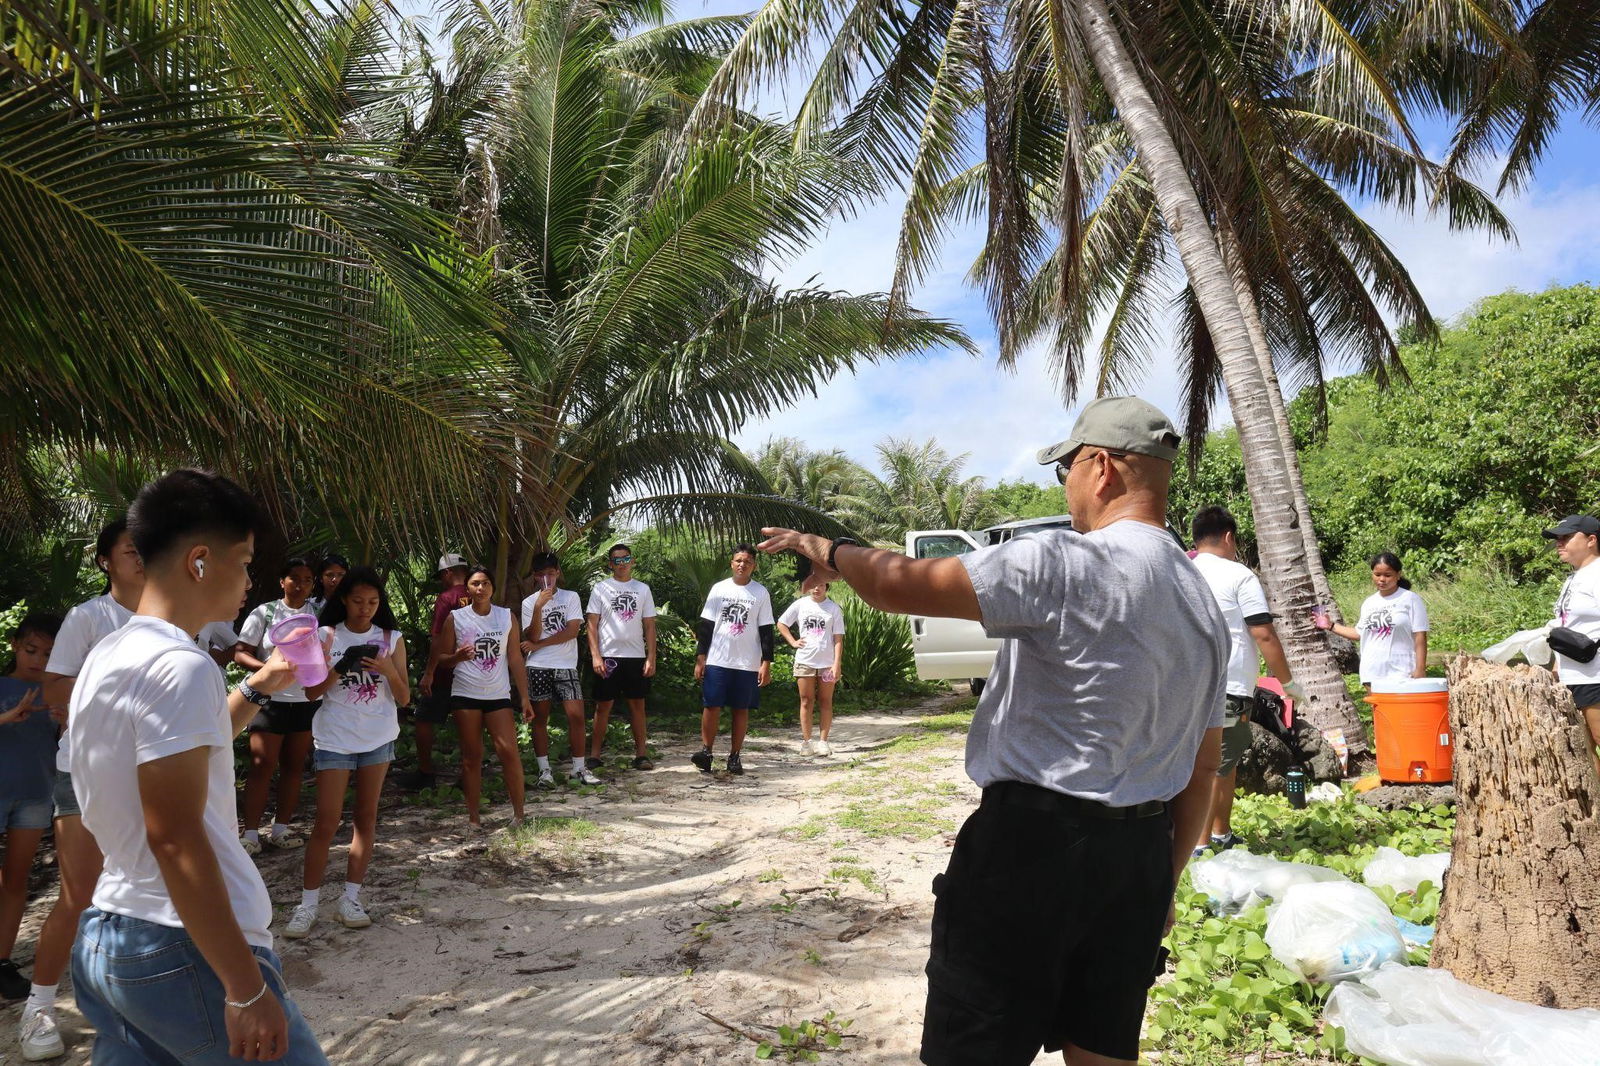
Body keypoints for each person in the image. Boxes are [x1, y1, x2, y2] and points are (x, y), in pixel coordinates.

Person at [758, 396, 1229, 1066]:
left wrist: (828, 549)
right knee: (1101, 1048)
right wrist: (1164, 884)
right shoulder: (1201, 599)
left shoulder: (1065, 561)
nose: (1065, 486)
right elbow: (1205, 766)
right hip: (1142, 856)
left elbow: (899, 585)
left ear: (1100, 467)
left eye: (1065, 469)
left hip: (1030, 849)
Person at [68, 468, 327, 1065]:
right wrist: (245, 987)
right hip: (181, 944)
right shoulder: (181, 668)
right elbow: (175, 836)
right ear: (200, 562)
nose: (249, 582)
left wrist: (258, 686)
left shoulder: (111, 654)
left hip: (112, 933)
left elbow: (186, 750)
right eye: (245, 563)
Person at [33, 516, 145, 1056]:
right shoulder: (89, 617)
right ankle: (37, 1009)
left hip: (152, 771)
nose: (141, 558)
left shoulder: (172, 618)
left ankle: (128, 1002)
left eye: (146, 548)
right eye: (129, 550)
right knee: (79, 894)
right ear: (105, 561)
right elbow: (54, 689)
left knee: (142, 890)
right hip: (84, 770)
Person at [286, 568, 409, 938]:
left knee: (365, 819)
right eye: (357, 601)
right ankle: (307, 905)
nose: (365, 608)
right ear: (343, 600)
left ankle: (350, 899)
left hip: (378, 738)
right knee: (326, 821)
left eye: (373, 602)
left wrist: (387, 669)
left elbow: (404, 698)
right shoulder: (326, 636)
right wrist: (340, 666)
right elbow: (311, 693)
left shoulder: (391, 638)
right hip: (335, 738)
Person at [1187, 506, 1302, 856]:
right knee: (1214, 766)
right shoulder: (1239, 575)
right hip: (1229, 686)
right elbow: (1263, 633)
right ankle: (1200, 845)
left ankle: (1221, 833)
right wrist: (1288, 683)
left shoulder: (1181, 571)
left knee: (1223, 762)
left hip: (1188, 685)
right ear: (1228, 537)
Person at [425, 566, 530, 830]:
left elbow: (515, 658)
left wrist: (525, 698)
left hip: (498, 694)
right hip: (465, 693)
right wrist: (457, 656)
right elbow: (442, 658)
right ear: (467, 589)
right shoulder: (456, 618)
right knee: (471, 758)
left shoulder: (506, 616)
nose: (480, 588)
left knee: (509, 752)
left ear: (492, 587)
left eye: (485, 583)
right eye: (475, 584)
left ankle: (519, 815)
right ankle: (474, 819)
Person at [3, 613, 63, 1060]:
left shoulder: (58, 690)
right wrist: (8, 716)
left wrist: (65, 719)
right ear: (14, 645)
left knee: (16, 880)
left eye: (47, 653)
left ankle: (3, 962)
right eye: (31, 650)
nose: (38, 660)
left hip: (36, 796)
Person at [235, 557, 320, 853]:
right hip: (267, 701)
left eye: (307, 580)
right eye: (294, 578)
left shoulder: (318, 614)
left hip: (305, 701)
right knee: (262, 766)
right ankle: (250, 835)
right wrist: (268, 671)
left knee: (294, 767)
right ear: (282, 581)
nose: (300, 585)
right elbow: (240, 652)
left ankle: (281, 829)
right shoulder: (265, 612)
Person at [690, 545, 775, 775]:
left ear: (753, 566)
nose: (742, 565)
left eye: (747, 561)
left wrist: (766, 663)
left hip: (747, 662)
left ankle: (735, 756)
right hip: (718, 659)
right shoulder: (719, 589)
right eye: (738, 560)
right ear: (731, 563)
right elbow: (706, 626)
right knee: (711, 705)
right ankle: (706, 752)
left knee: (741, 708)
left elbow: (766, 630)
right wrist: (701, 657)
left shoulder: (760, 593)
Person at [520, 552, 600, 788]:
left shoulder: (570, 597)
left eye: (551, 574)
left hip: (565, 664)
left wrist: (539, 645)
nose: (547, 579)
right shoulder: (529, 602)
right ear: (535, 576)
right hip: (539, 665)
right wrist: (538, 607)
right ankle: (544, 771)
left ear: (558, 573)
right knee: (540, 719)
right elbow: (532, 635)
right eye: (541, 575)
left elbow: (572, 631)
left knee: (576, 716)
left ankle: (578, 768)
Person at [584, 545, 657, 771]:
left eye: (626, 559)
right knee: (603, 706)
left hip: (635, 656)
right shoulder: (601, 588)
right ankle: (595, 756)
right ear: (610, 564)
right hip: (608, 656)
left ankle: (641, 755)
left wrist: (651, 657)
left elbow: (649, 625)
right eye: (617, 560)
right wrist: (596, 656)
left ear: (632, 561)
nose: (622, 563)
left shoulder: (643, 589)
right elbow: (591, 624)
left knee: (637, 706)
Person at [406, 554, 471, 791]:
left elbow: (438, 639)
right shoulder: (480, 592)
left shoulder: (447, 598)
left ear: (447, 573)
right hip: (473, 671)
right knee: (469, 724)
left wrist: (429, 672)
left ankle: (426, 773)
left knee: (423, 718)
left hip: (446, 671)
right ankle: (468, 775)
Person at [1314, 552, 1429, 685]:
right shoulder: (1369, 603)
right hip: (1371, 673)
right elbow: (1359, 633)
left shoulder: (1410, 599)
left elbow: (1420, 636)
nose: (1382, 579)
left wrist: (1420, 669)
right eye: (1377, 574)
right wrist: (1330, 625)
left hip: (1403, 672)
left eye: (1387, 575)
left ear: (1398, 575)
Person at [1546, 515, 1600, 776]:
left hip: (1596, 675)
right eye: (1558, 538)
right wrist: (1557, 666)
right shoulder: (1573, 578)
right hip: (1572, 674)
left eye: (1566, 537)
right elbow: (1568, 625)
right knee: (1584, 749)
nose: (1560, 543)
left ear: (1591, 540)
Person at [778, 582, 846, 757]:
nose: (817, 589)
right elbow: (782, 623)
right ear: (808, 587)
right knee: (806, 700)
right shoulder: (800, 604)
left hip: (827, 664)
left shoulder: (833, 608)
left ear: (826, 587)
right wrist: (793, 641)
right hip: (805, 661)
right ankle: (807, 742)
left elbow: (838, 639)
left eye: (821, 585)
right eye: (813, 585)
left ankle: (823, 742)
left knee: (826, 701)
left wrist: (836, 664)